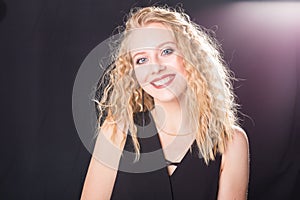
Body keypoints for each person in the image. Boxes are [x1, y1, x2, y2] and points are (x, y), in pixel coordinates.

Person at [81, 6, 249, 200]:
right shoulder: (116, 131)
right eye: (142, 59)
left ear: (191, 55)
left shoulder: (231, 141)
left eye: (166, 51)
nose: (156, 68)